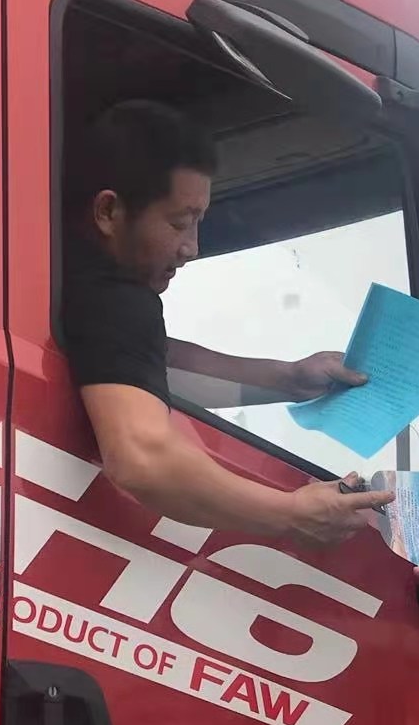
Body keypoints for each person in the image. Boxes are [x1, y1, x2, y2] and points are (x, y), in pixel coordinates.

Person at [61, 100, 392, 546]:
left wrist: (292, 379)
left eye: (198, 223)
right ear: (108, 212)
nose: (191, 248)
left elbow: (152, 360)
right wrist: (293, 512)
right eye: (179, 223)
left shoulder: (64, 282)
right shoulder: (116, 299)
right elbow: (142, 459)